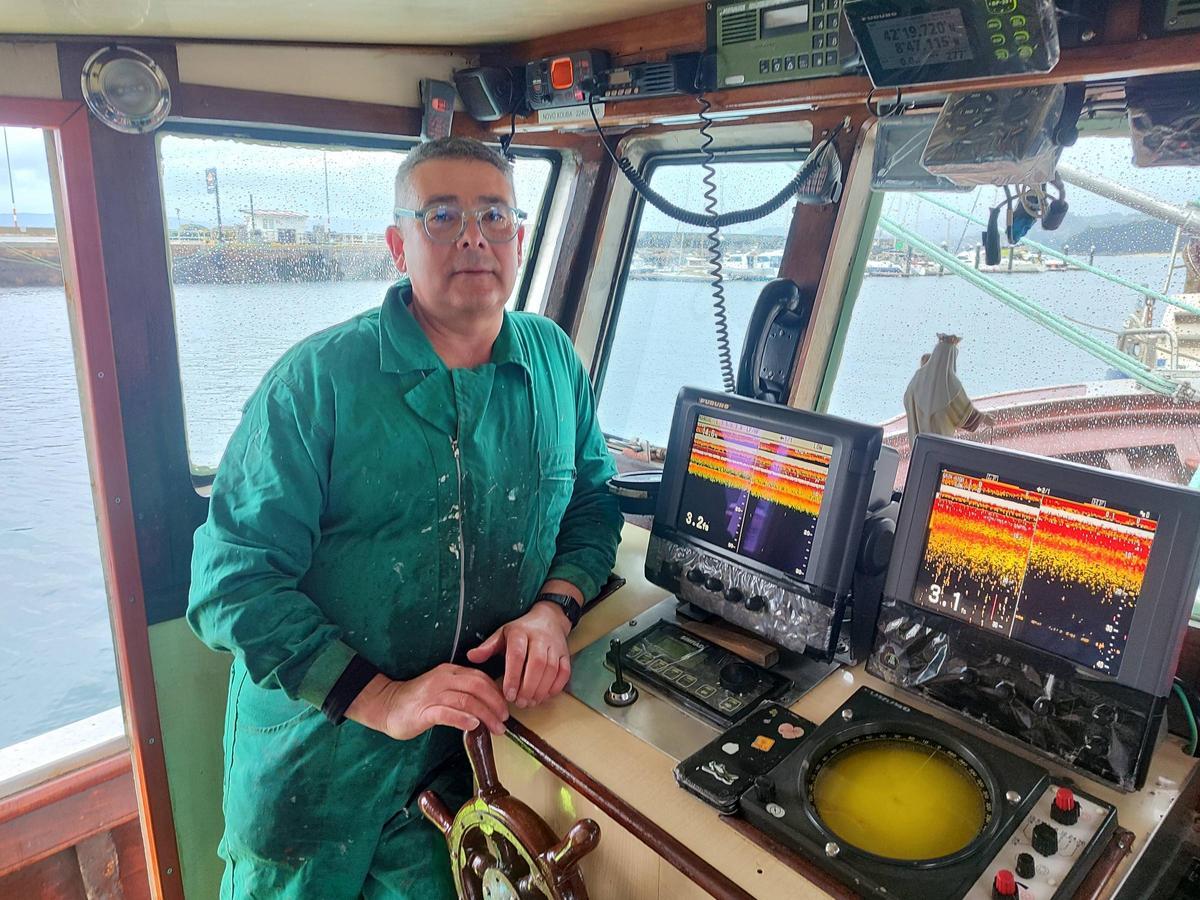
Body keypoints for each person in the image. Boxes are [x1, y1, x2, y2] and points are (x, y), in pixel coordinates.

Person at [187, 136, 624, 899]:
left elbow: (592, 501)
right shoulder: (315, 384)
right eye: (441, 216)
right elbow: (232, 584)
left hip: (465, 768)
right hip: (315, 767)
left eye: (494, 214)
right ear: (398, 244)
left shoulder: (554, 360)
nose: (473, 237)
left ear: (519, 236)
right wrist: (384, 699)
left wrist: (555, 610)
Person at [902, 333, 995, 444]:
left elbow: (907, 400)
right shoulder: (951, 385)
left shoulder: (916, 379)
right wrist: (983, 418)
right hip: (939, 449)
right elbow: (964, 413)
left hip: (917, 447)